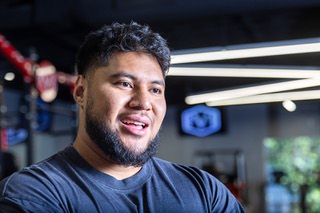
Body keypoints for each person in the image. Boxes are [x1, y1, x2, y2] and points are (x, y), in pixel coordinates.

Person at [0, 22, 245, 212]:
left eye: (155, 90)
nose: (143, 102)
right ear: (81, 92)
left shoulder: (204, 192)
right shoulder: (34, 195)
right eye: (125, 83)